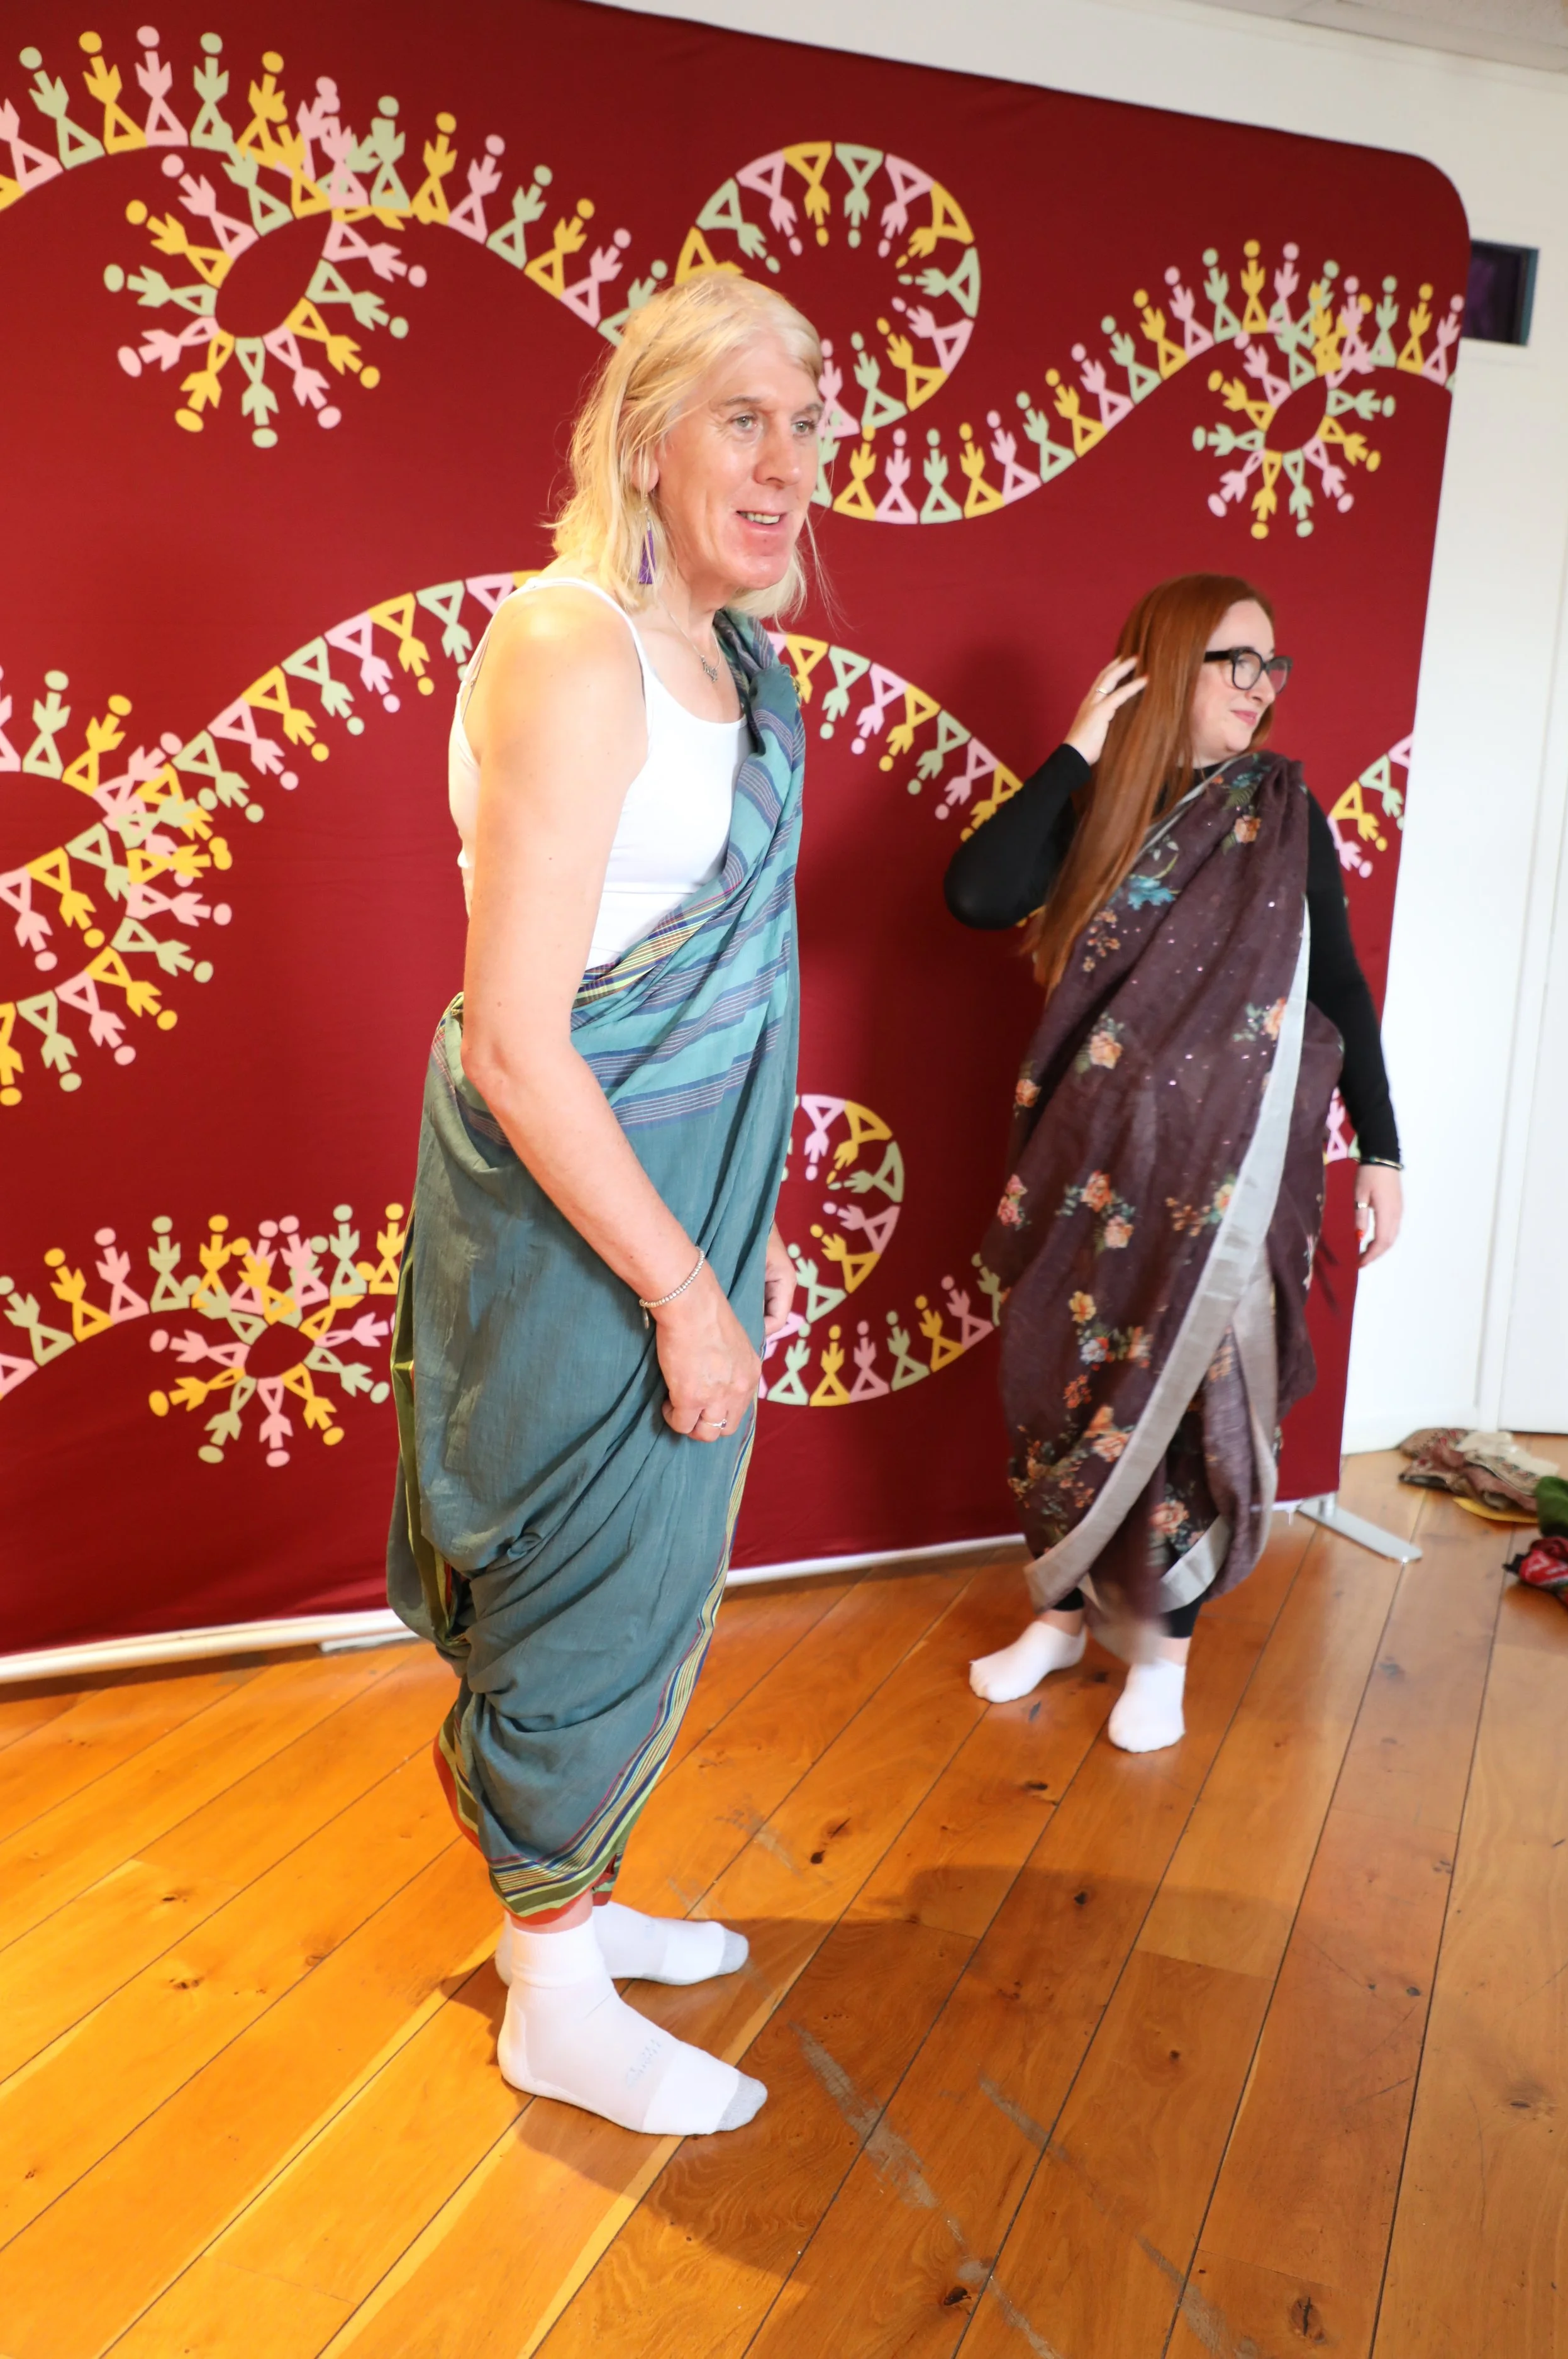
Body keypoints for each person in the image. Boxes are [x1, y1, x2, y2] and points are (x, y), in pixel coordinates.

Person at [387, 276, 823, 2135]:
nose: (790, 463)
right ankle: (548, 1992)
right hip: (566, 1221)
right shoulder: (573, 646)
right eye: (746, 418)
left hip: (670, 1202)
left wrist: (745, 1228)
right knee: (574, 1579)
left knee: (647, 1570)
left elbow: (730, 992)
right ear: (644, 437)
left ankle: (573, 1910)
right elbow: (519, 1040)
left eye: (809, 427)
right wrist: (680, 1287)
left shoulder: (742, 669)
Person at [945, 574, 1403, 1754]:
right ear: (1161, 669)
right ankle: (1055, 1618)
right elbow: (977, 892)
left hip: (1229, 1187)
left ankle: (1165, 1654)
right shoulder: (1104, 808)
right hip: (1081, 1175)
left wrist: (1382, 1148)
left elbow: (1341, 986)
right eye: (1233, 662)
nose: (1261, 688)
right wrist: (1080, 749)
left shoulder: (1282, 815)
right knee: (1058, 1396)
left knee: (1189, 1404)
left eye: (1271, 664)